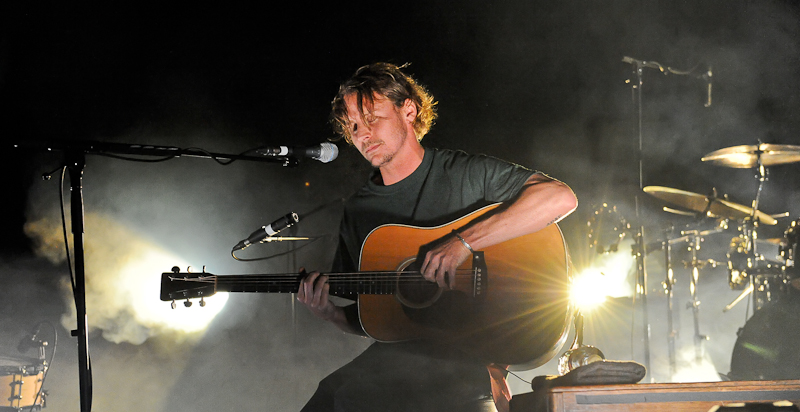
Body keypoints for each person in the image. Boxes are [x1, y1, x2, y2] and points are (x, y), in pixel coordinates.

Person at [296, 62, 578, 412]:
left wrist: (463, 243)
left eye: (372, 118)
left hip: (472, 355)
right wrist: (331, 315)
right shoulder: (359, 210)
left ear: (409, 110)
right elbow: (381, 319)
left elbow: (560, 198)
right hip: (407, 358)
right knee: (330, 400)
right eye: (353, 126)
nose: (362, 134)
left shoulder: (466, 174)